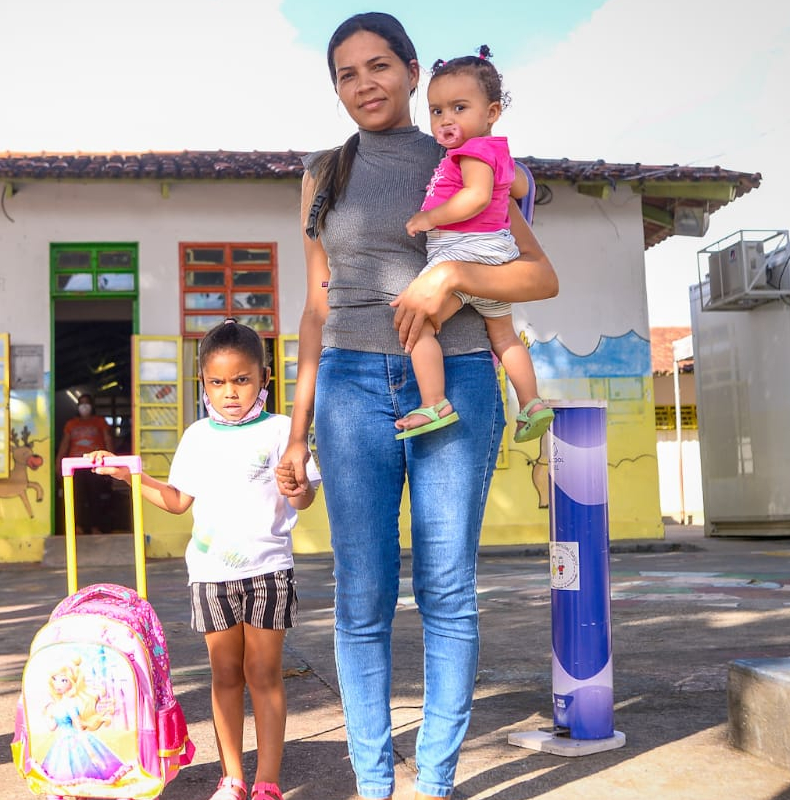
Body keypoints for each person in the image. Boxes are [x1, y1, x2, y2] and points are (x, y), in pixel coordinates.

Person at [275, 12, 557, 800]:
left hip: (459, 381)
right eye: (346, 74)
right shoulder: (322, 172)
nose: (364, 84)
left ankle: (432, 782)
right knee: (360, 596)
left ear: (409, 69)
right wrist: (295, 436)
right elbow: (314, 308)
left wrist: (451, 279)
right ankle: (373, 784)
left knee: (445, 589)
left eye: (378, 67)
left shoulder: (468, 151)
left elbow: (539, 278)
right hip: (350, 387)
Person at [91, 319, 319, 800]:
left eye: (242, 379)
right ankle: (232, 777)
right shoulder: (197, 437)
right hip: (211, 576)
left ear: (264, 378)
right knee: (224, 676)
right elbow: (177, 501)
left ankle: (268, 782)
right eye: (218, 382)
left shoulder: (282, 431)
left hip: (268, 571)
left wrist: (296, 489)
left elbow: (303, 499)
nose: (230, 392)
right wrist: (128, 475)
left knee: (264, 674)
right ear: (203, 385)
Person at [399, 46, 553, 443]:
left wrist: (429, 217)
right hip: (494, 258)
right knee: (502, 337)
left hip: (462, 250)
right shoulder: (495, 150)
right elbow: (516, 184)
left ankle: (434, 402)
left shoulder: (471, 151)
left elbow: (477, 198)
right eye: (437, 111)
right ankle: (532, 402)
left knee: (420, 327)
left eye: (459, 108)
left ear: (492, 113)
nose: (446, 119)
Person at [55, 393, 114, 535]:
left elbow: (108, 440)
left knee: (96, 496)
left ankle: (96, 527)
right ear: (78, 406)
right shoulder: (71, 424)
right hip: (75, 466)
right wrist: (58, 463)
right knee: (76, 497)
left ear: (92, 406)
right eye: (81, 403)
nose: (84, 406)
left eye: (87, 403)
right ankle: (78, 527)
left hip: (95, 464)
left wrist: (112, 461)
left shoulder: (100, 422)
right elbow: (65, 444)